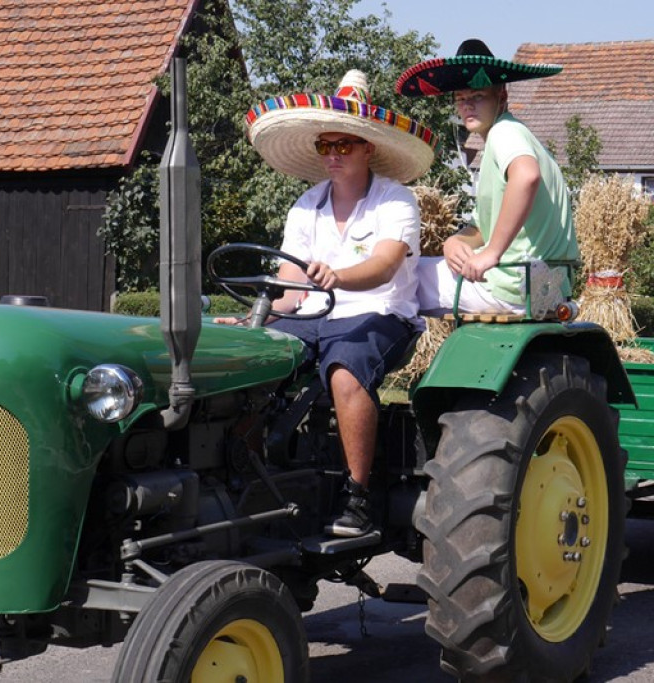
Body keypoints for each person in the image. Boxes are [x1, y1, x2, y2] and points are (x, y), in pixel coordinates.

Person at [235, 69, 437, 535]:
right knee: (247, 361)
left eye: (343, 145)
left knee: (346, 368)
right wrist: (255, 318)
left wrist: (338, 277)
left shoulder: (396, 201)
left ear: (369, 149)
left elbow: (386, 266)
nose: (332, 155)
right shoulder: (307, 205)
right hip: (313, 316)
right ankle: (246, 475)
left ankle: (359, 497)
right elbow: (289, 285)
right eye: (325, 146)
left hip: (379, 314)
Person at [395, 39, 577, 317]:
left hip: (508, 286)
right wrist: (455, 242)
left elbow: (527, 177)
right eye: (460, 99)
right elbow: (482, 227)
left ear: (501, 97)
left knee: (394, 276)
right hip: (545, 289)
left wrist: (492, 252)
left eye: (477, 96)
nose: (467, 105)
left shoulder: (505, 132)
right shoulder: (523, 139)